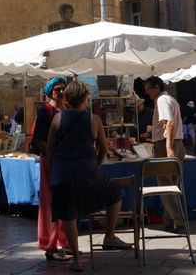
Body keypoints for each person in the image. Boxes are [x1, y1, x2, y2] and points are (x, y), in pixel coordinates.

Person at [48, 80, 131, 272]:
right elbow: (103, 148)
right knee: (116, 194)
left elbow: (51, 149)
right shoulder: (93, 120)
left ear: (67, 100)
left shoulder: (57, 119)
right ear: (85, 99)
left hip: (63, 174)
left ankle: (76, 259)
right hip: (88, 173)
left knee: (68, 214)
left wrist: (53, 172)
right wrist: (96, 165)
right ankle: (109, 236)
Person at [31, 76, 69, 262]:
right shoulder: (45, 111)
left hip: (65, 161)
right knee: (50, 201)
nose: (61, 92)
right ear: (50, 92)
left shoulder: (67, 109)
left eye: (63, 88)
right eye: (57, 89)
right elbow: (39, 138)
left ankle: (65, 240)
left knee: (65, 200)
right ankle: (50, 244)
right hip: (51, 161)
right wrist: (51, 156)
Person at [145, 77, 185, 233]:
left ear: (156, 87)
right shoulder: (171, 99)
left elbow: (169, 122)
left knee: (165, 183)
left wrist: (168, 147)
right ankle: (169, 220)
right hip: (178, 142)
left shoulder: (162, 100)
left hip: (166, 143)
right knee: (173, 184)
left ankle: (177, 220)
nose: (147, 93)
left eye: (149, 89)